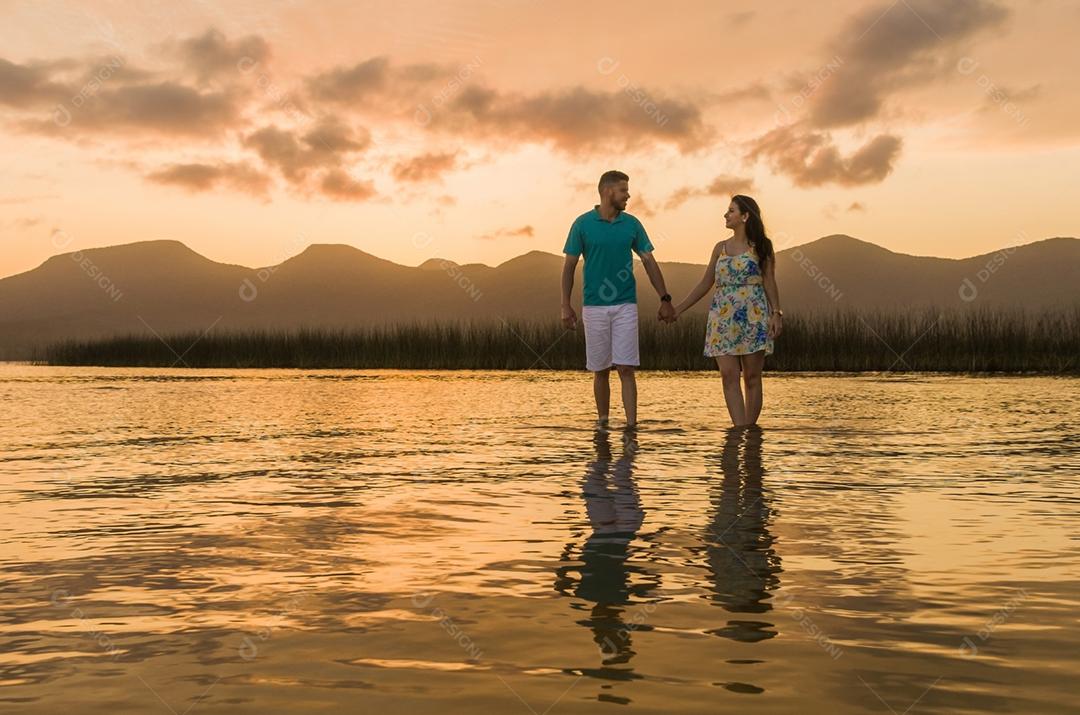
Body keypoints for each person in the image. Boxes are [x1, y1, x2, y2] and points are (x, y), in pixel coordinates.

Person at [561, 170, 676, 429]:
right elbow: (569, 266)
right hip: (594, 307)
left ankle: (631, 427)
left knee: (626, 368)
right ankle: (603, 425)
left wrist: (665, 298)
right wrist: (565, 305)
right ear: (608, 192)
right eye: (624, 190)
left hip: (625, 305)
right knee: (600, 370)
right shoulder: (582, 224)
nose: (628, 195)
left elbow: (649, 261)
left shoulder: (632, 224)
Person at [672, 195, 782, 427]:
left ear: (745, 216)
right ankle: (739, 429)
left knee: (752, 377)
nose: (725, 214)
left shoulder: (761, 247)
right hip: (722, 318)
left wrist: (776, 313)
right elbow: (705, 283)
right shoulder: (719, 248)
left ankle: (750, 432)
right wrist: (678, 309)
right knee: (729, 375)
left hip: (753, 315)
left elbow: (769, 281)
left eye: (731, 211)